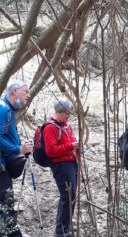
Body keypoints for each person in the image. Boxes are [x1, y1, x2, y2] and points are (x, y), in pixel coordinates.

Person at [0, 82, 33, 237]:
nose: (28, 96)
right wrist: (18, 149)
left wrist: (19, 145)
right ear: (15, 92)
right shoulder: (2, 110)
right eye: (25, 92)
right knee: (6, 204)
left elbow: (3, 137)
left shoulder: (8, 110)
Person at [43, 98, 79, 237]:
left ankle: (65, 228)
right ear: (59, 111)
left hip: (71, 164)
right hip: (61, 165)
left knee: (71, 196)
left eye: (69, 113)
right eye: (66, 113)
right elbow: (50, 151)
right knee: (68, 196)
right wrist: (71, 146)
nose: (68, 116)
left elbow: (71, 144)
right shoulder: (50, 127)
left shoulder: (66, 126)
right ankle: (62, 231)